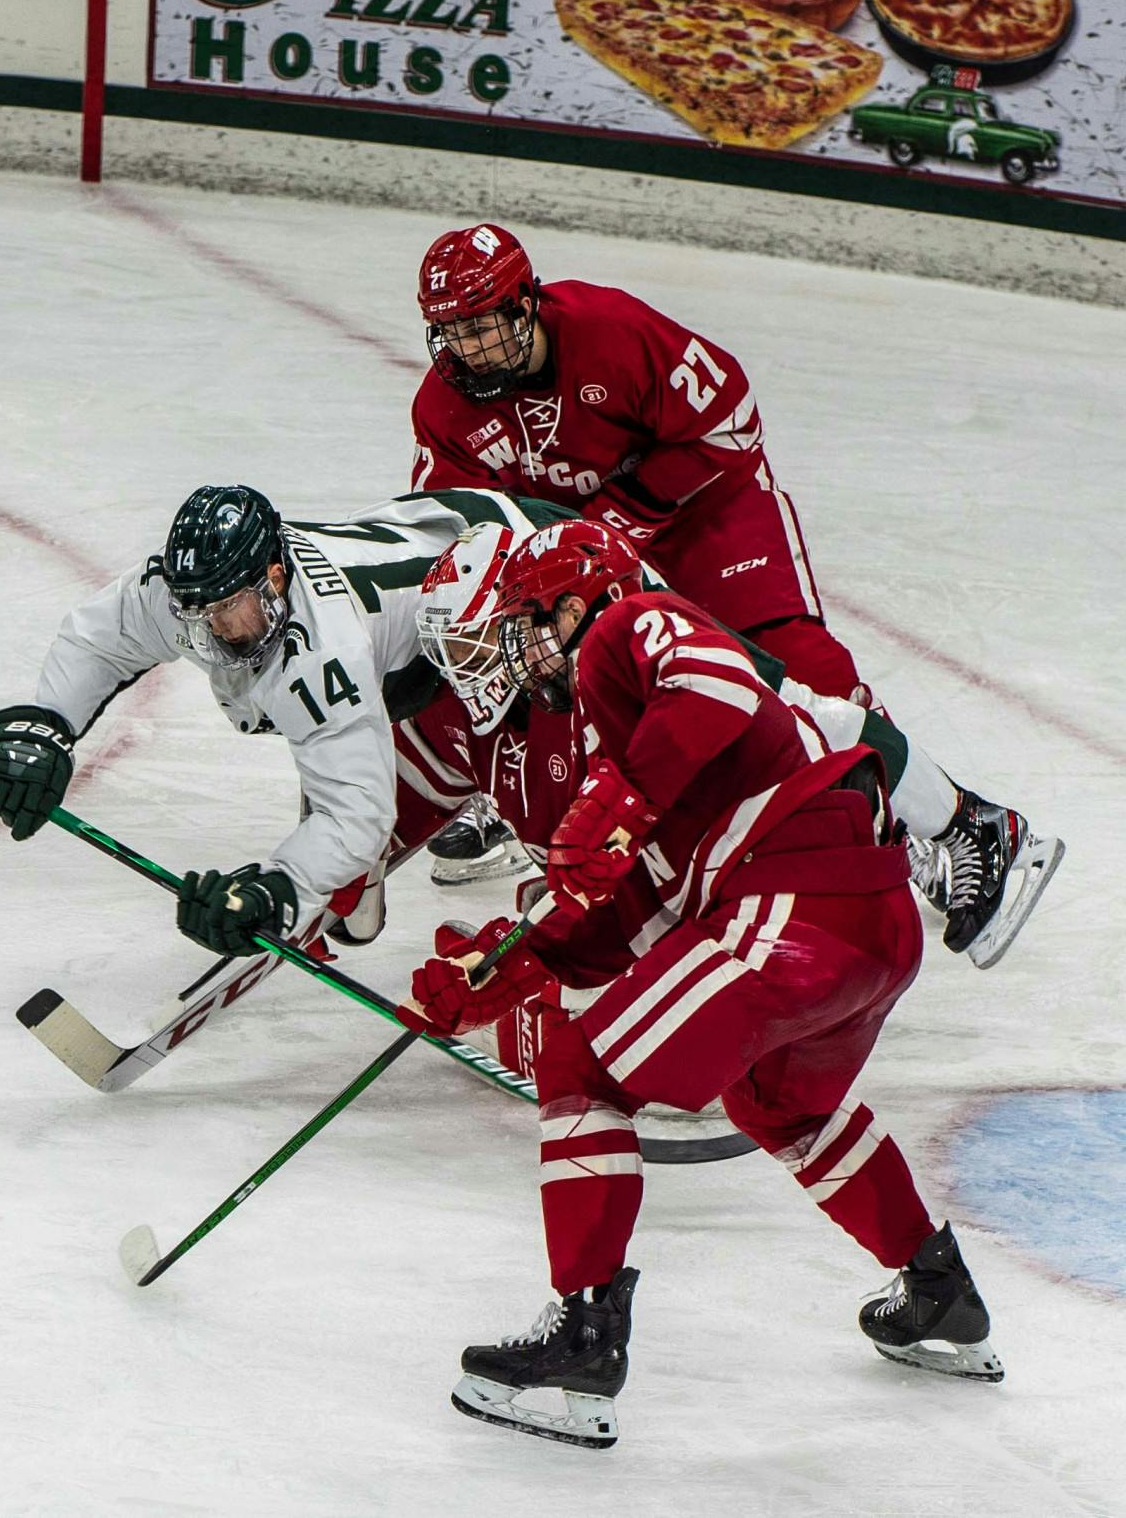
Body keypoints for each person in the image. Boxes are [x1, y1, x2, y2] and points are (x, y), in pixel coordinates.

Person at [397, 520, 1002, 1450]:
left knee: (583, 1071)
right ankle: (937, 1286)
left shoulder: (626, 630)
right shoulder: (614, 750)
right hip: (863, 927)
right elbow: (615, 929)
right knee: (779, 1105)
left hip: (793, 904)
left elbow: (718, 686)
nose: (518, 655)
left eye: (526, 624)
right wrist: (494, 973)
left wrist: (626, 794)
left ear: (573, 604)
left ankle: (586, 1332)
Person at [405, 222, 1061, 923]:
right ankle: (515, 800)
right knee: (541, 663)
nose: (466, 351)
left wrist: (618, 519)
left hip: (706, 517)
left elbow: (730, 422)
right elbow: (462, 528)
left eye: (480, 327)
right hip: (585, 558)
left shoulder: (610, 333)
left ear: (524, 305)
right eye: (450, 332)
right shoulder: (442, 408)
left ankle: (957, 825)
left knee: (800, 676)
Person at [398, 524, 1062, 973]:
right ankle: (901, 833)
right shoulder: (543, 658)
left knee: (806, 711)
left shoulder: (593, 609)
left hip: (638, 604)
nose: (465, 670)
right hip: (599, 618)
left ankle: (966, 823)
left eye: (470, 646)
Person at [0, 484, 546, 957]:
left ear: (274, 579)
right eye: (196, 612)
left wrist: (279, 889)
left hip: (514, 567)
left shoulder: (325, 653)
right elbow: (101, 638)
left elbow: (358, 813)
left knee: (555, 742)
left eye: (225, 609)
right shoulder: (196, 590)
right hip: (434, 540)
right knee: (348, 903)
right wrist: (45, 726)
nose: (210, 632)